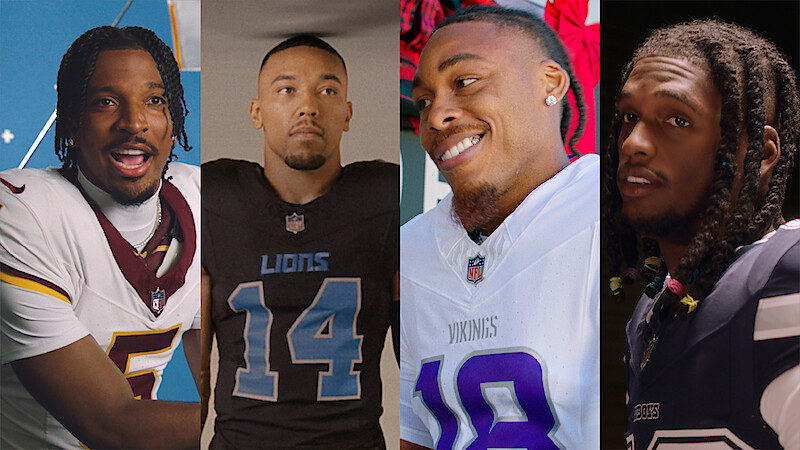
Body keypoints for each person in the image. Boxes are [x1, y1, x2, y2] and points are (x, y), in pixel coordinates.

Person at [400, 7, 599, 449]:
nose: (435, 117)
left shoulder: (615, 216)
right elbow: (416, 434)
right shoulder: (410, 249)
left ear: (550, 83)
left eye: (465, 82)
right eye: (424, 101)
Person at [0, 26, 201, 449]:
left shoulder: (203, 199)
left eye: (155, 100)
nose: (134, 122)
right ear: (71, 120)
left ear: (173, 118)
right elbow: (113, 424)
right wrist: (270, 424)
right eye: (105, 102)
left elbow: (229, 378)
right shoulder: (22, 215)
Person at [604, 19, 800, 449]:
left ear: (760, 153)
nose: (634, 142)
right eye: (629, 117)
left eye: (676, 119)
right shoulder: (649, 313)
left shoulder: (786, 272)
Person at [201, 35, 399, 449]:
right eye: (286, 90)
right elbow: (194, 375)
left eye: (327, 91)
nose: (307, 106)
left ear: (347, 114)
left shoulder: (386, 199)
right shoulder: (212, 198)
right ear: (257, 112)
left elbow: (419, 373)